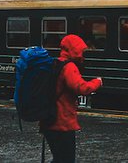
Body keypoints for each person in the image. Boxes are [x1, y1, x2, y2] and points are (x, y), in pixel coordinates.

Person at [40, 34, 103, 163]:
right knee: (67, 159)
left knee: (59, 158)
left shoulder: (55, 63)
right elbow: (81, 88)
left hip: (49, 119)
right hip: (62, 122)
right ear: (75, 49)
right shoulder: (69, 67)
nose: (82, 54)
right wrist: (97, 82)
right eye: (81, 50)